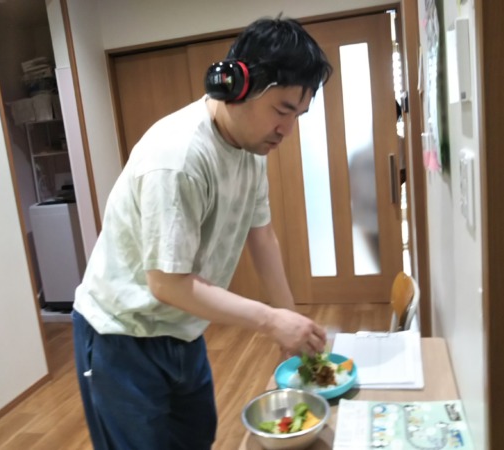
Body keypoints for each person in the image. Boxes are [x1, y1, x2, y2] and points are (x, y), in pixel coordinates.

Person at [72, 15, 333, 450]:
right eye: (282, 111)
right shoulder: (178, 158)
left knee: (196, 438)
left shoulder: (252, 148)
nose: (287, 130)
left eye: (298, 115)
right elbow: (167, 283)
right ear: (238, 85)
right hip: (121, 334)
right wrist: (271, 321)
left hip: (182, 328)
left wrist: (293, 329)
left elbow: (262, 236)